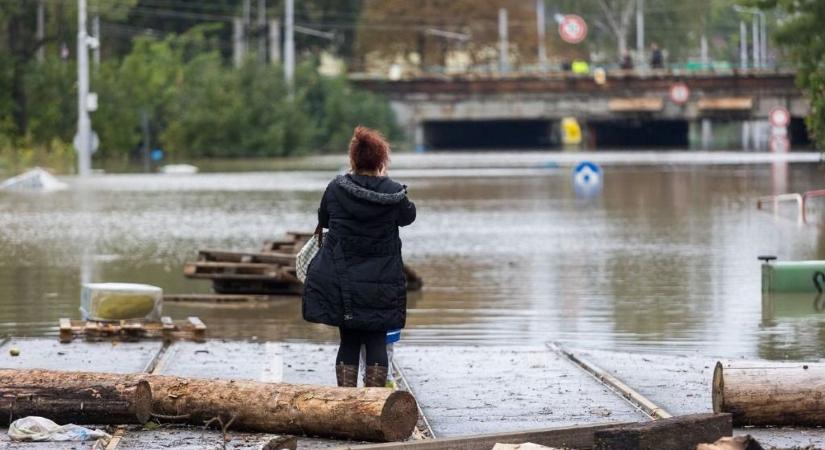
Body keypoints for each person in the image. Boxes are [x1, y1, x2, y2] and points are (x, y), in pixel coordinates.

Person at [302, 126, 416, 388]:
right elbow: (408, 217)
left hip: (343, 278)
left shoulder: (335, 188)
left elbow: (324, 219)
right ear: (381, 161)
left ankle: (346, 403)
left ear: (353, 159)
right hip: (382, 281)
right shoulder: (394, 192)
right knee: (376, 338)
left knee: (349, 340)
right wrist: (385, 180)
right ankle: (374, 404)